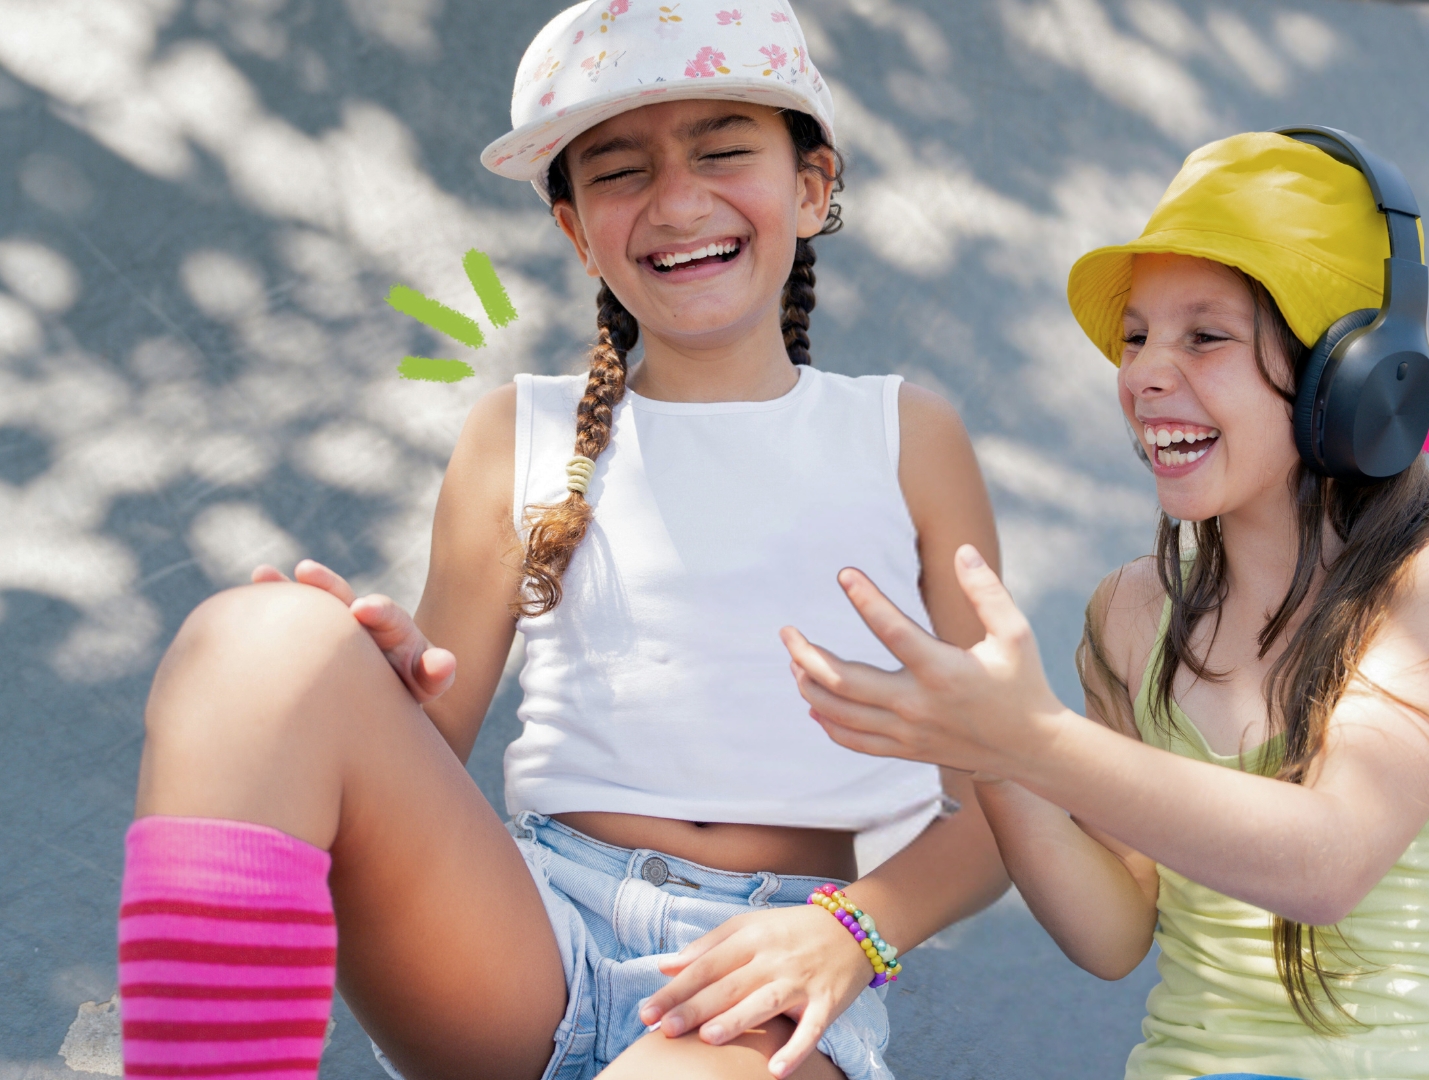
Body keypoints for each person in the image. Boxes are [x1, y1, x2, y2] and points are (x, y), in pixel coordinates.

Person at [117, 4, 1007, 1080]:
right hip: (523, 937)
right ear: (578, 231)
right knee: (259, 640)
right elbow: (430, 740)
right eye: (620, 172)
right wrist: (372, 683)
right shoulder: (517, 434)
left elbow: (1011, 790)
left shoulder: (907, 437)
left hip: (764, 975)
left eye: (723, 151)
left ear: (813, 187)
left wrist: (853, 932)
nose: (677, 201)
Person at [782, 131, 1429, 1080]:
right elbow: (1114, 933)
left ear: (1354, 373)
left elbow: (1327, 861)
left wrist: (1035, 739)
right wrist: (996, 759)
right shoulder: (1129, 613)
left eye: (1205, 336)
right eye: (1136, 337)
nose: (1144, 373)